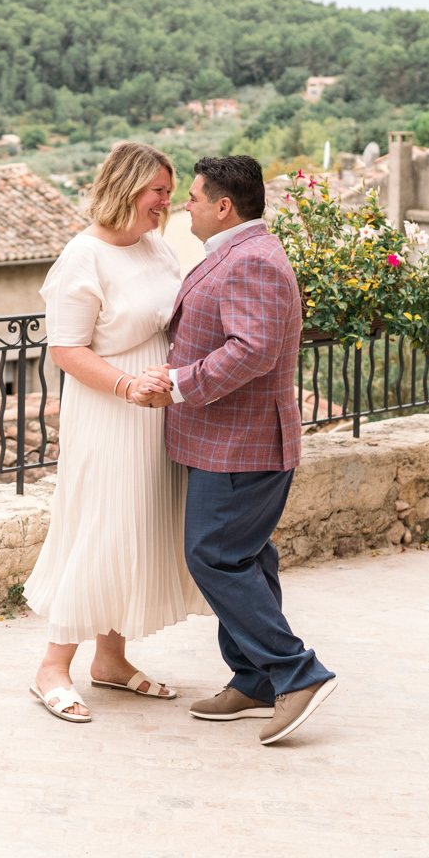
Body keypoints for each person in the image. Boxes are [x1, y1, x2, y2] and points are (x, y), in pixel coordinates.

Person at [131, 155, 337, 745]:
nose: (184, 205)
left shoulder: (253, 262)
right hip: (227, 440)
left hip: (242, 443)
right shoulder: (237, 253)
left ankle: (297, 673)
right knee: (247, 558)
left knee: (215, 557)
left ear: (224, 206)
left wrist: (178, 383)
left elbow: (252, 351)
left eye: (192, 197)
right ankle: (254, 679)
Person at [24, 142, 208, 722]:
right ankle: (52, 667)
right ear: (128, 189)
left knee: (136, 525)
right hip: (108, 409)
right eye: (158, 192)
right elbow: (65, 349)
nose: (166, 203)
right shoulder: (83, 256)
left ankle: (112, 660)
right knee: (99, 527)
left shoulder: (157, 247)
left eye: (170, 193)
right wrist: (129, 387)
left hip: (155, 409)